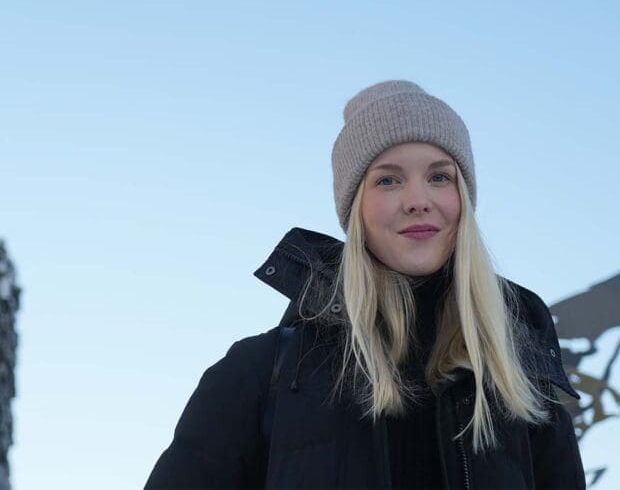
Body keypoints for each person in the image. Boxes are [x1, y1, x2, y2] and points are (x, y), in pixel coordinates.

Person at [144, 80, 586, 489]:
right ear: (355, 207)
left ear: (463, 199)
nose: (417, 201)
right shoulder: (261, 372)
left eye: (439, 176)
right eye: (388, 180)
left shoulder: (523, 387)